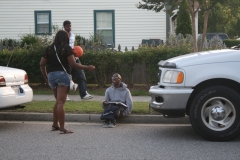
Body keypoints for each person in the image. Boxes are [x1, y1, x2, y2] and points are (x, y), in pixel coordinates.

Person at [40, 30, 95, 134]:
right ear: (66, 38)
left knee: (57, 101)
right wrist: (88, 67)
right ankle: (62, 128)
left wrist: (46, 77)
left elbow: (42, 64)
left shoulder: (49, 48)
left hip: (51, 75)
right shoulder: (67, 48)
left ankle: (55, 125)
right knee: (61, 102)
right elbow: (74, 64)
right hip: (62, 76)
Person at [63, 20, 93, 100]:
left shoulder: (72, 35)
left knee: (81, 75)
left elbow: (72, 46)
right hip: (66, 59)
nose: (69, 27)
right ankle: (65, 95)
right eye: (67, 26)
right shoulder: (62, 36)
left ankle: (83, 94)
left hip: (75, 57)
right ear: (64, 27)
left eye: (70, 26)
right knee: (67, 77)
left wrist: (77, 50)